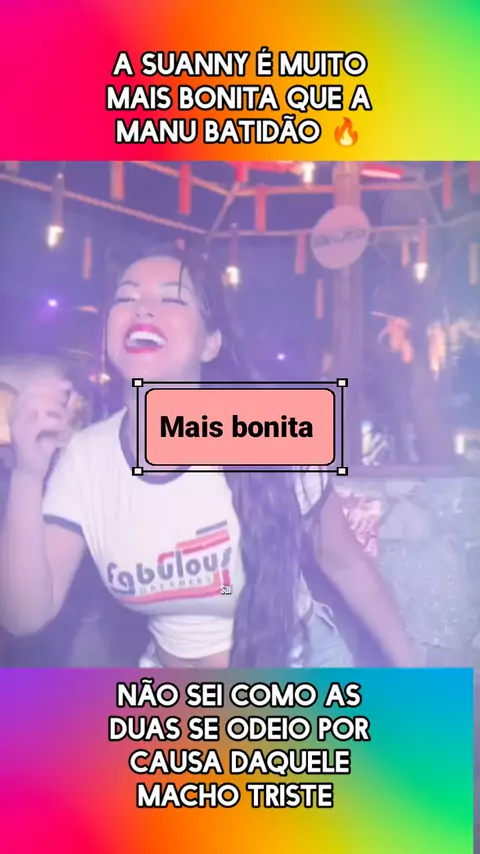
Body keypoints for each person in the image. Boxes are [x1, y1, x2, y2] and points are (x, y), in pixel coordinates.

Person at [0, 245, 418, 669]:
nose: (142, 308)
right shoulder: (88, 458)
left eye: (172, 298)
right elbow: (24, 617)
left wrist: (416, 675)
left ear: (211, 343)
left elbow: (344, 562)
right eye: (126, 297)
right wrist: (27, 475)